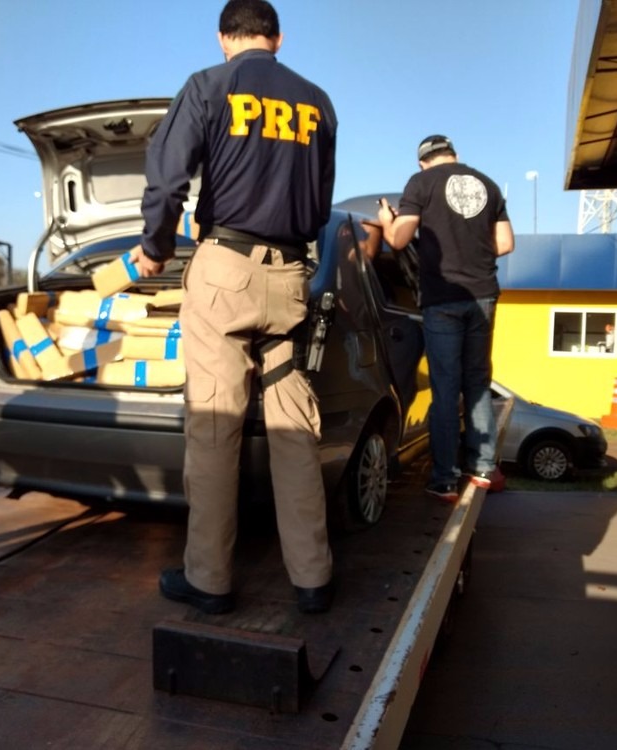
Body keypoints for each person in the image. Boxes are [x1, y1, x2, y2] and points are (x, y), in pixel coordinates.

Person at [129, 0, 337, 615]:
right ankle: (313, 578)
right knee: (294, 425)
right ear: (278, 37)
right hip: (292, 275)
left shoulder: (208, 85)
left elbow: (168, 181)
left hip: (226, 269)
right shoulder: (318, 101)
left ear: (224, 38)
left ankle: (211, 580)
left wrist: (154, 247)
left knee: (216, 426)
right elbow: (320, 202)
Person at [377, 135, 514, 502]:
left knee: (445, 388)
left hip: (442, 298)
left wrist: (386, 222)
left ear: (423, 162)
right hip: (482, 294)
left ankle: (444, 480)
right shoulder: (487, 184)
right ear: (454, 155)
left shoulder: (421, 183)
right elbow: (505, 243)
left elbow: (401, 240)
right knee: (477, 382)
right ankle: (484, 468)